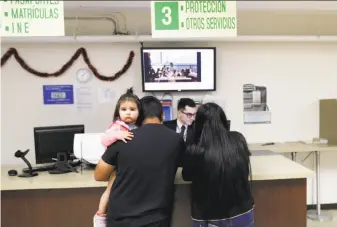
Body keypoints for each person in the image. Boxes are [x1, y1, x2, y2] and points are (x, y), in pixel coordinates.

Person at [94, 96, 185, 227]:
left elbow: (99, 175)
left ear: (138, 117)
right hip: (157, 217)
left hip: (121, 217)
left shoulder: (123, 138)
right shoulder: (176, 140)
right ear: (163, 115)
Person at [182, 103, 254, 227]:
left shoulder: (195, 148)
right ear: (224, 121)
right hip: (242, 211)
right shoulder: (238, 139)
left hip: (208, 216)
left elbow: (186, 175)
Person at [94, 88, 141, 227]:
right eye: (124, 109)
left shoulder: (134, 127)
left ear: (139, 112)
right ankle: (100, 216)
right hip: (114, 167)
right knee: (109, 191)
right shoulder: (117, 126)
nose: (128, 112)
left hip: (125, 167)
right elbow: (104, 139)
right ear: (118, 112)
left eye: (132, 109)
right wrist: (118, 135)